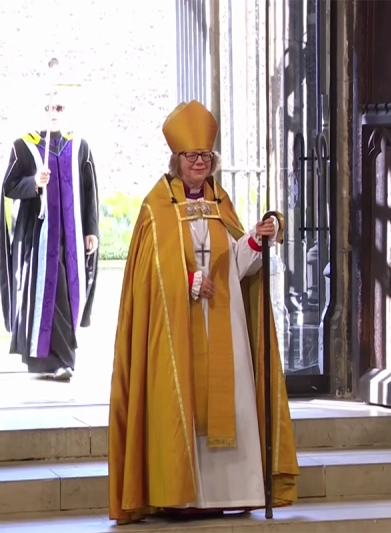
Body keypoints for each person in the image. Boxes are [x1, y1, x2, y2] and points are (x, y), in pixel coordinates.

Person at [108, 100, 299, 525]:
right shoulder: (156, 209)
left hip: (224, 327)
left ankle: (231, 491)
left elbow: (233, 265)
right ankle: (179, 494)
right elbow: (148, 281)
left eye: (206, 156)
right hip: (176, 335)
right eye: (191, 156)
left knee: (231, 402)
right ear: (176, 160)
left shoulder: (220, 202)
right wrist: (188, 282)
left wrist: (255, 240)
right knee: (183, 405)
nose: (199, 162)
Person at [0, 91, 99, 381]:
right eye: (47, 107)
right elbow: (9, 186)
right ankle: (54, 362)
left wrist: (91, 229)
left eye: (58, 106)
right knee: (46, 296)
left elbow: (89, 190)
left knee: (66, 293)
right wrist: (35, 183)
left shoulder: (79, 147)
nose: (53, 112)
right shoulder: (24, 146)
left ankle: (63, 360)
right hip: (37, 240)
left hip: (70, 238)